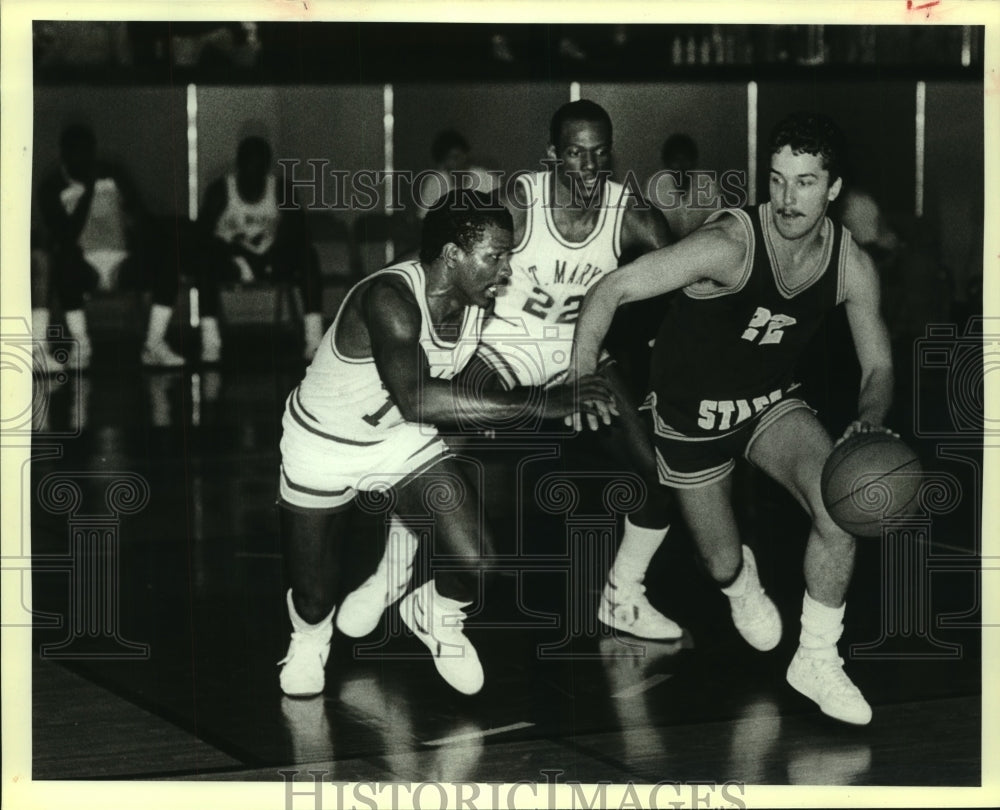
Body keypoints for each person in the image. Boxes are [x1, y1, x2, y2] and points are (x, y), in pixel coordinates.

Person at [570, 111, 895, 726]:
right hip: (691, 416)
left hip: (770, 402)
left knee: (840, 504)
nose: (787, 197)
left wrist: (872, 418)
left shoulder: (851, 263)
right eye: (776, 180)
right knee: (719, 563)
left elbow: (877, 363)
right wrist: (584, 373)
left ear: (832, 189)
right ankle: (739, 581)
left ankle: (818, 657)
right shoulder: (729, 245)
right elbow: (611, 289)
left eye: (804, 182)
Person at [339, 100, 683, 644]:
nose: (588, 168)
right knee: (435, 447)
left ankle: (624, 595)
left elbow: (686, 294)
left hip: (582, 355)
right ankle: (392, 575)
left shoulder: (634, 217)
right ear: (552, 156)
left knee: (662, 472)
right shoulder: (522, 204)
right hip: (508, 343)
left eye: (599, 155)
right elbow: (443, 249)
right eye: (575, 154)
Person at [276, 189, 616, 698]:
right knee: (313, 593)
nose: (505, 270)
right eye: (495, 256)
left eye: (509, 256)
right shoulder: (390, 298)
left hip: (398, 443)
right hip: (322, 445)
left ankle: (433, 611)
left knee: (478, 564)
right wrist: (543, 403)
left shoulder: (479, 297)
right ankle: (308, 639)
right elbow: (417, 399)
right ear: (453, 254)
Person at [37, 123, 185, 370]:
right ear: (64, 155)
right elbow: (67, 234)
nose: (83, 160)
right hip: (83, 265)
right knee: (63, 258)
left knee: (168, 257)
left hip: (122, 263)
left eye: (87, 153)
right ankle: (81, 344)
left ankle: (154, 344)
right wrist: (88, 190)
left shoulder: (114, 175)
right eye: (76, 154)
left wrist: (134, 220)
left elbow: (141, 216)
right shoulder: (52, 187)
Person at [196, 136, 324, 362]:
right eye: (248, 165)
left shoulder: (281, 189)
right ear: (239, 164)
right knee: (203, 262)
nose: (253, 172)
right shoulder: (221, 190)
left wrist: (271, 252)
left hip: (270, 260)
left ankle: (314, 342)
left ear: (267, 166)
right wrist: (233, 251)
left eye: (259, 166)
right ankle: (210, 344)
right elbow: (201, 236)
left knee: (307, 256)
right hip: (232, 262)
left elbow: (299, 231)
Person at [415, 130, 497, 220]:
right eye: (450, 159)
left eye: (458, 156)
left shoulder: (488, 180)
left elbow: (500, 218)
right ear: (442, 163)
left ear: (467, 154)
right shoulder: (434, 183)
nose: (456, 163)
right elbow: (423, 218)